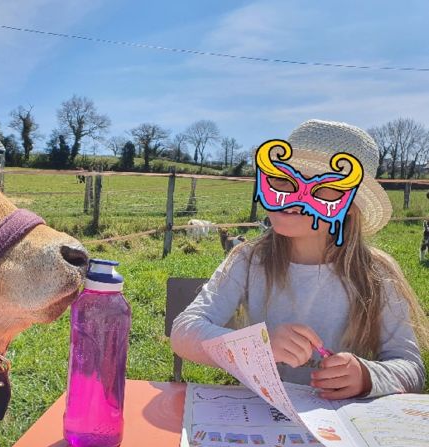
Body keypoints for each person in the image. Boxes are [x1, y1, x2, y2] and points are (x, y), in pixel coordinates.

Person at [171, 119, 428, 399]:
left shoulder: (376, 274)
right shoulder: (248, 260)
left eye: (320, 187)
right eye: (283, 180)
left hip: (342, 429)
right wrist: (259, 348)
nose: (292, 196)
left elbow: (412, 368)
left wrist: (367, 377)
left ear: (349, 208)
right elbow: (184, 332)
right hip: (260, 420)